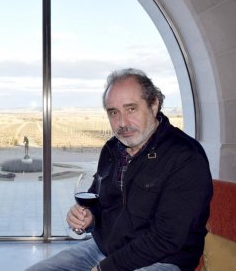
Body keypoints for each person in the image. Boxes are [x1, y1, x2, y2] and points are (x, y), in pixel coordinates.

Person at [26, 68, 213, 271]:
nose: (122, 123)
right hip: (105, 250)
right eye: (113, 112)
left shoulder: (185, 157)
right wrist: (88, 217)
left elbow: (166, 238)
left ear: (154, 104)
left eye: (131, 109)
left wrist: (105, 268)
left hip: (163, 260)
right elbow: (97, 201)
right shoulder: (112, 149)